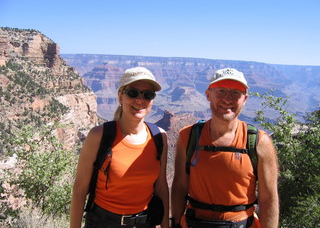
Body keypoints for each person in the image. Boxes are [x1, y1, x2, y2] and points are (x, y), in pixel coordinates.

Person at [171, 68, 279, 228]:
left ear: (245, 99)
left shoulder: (259, 142)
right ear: (208, 95)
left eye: (236, 93)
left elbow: (268, 198)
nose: (227, 99)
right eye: (221, 91)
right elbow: (180, 187)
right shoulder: (188, 137)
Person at [70, 67, 169, 228]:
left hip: (145, 222)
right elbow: (80, 189)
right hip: (103, 222)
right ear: (120, 96)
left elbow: (161, 188)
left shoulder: (159, 137)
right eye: (133, 93)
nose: (140, 100)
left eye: (148, 95)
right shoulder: (99, 136)